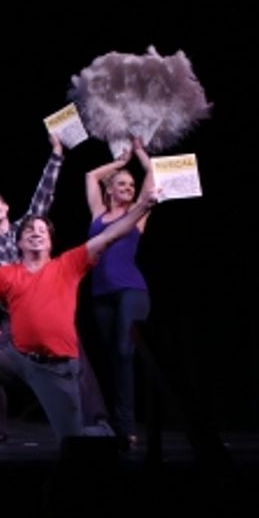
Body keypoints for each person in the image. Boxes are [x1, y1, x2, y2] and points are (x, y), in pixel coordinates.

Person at [0, 189, 160, 449]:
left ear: (50, 242)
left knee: (73, 440)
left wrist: (143, 206)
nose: (36, 233)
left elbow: (110, 235)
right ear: (19, 243)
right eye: (29, 231)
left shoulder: (69, 263)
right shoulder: (6, 273)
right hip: (15, 358)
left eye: (42, 231)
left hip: (54, 367)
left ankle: (104, 435)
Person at [0, 135, 65, 443]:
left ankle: (93, 425)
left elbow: (43, 196)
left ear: (6, 207)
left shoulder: (26, 229)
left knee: (75, 360)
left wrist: (56, 154)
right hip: (14, 319)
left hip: (47, 313)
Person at [84, 137, 155, 445]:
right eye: (122, 184)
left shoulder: (138, 212)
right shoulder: (98, 212)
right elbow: (90, 176)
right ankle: (112, 420)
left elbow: (153, 174)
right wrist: (120, 163)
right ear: (110, 189)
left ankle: (125, 425)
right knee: (111, 356)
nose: (128, 188)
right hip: (100, 293)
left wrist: (139, 152)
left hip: (131, 290)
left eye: (131, 185)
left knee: (125, 352)